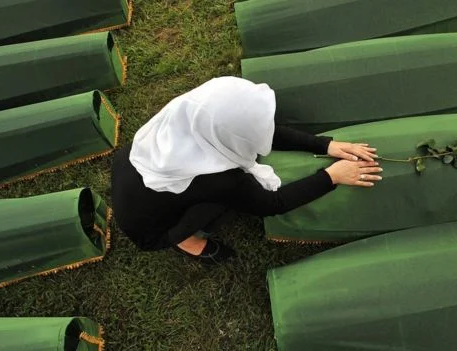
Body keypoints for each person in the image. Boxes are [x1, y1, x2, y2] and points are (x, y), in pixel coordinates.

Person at [111, 77, 382, 264]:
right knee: (220, 205)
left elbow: (254, 131)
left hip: (133, 176)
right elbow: (272, 204)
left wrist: (325, 145)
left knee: (204, 194)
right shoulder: (221, 180)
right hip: (150, 230)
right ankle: (184, 239)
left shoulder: (186, 118)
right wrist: (332, 176)